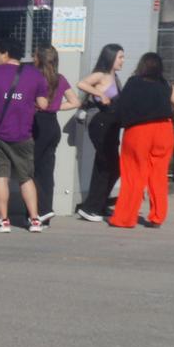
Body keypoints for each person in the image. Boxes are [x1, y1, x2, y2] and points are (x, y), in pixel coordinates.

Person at [0, 35, 46, 234]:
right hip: (24, 134)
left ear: (5, 53)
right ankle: (35, 220)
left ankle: (3, 220)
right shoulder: (35, 75)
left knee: (0, 176)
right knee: (26, 177)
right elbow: (43, 104)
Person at [106, 50, 174, 230]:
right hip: (164, 130)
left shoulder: (134, 83)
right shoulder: (166, 84)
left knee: (134, 174)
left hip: (139, 131)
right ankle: (157, 217)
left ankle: (125, 218)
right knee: (158, 175)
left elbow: (121, 106)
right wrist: (171, 116)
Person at [73, 43, 123, 222]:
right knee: (105, 165)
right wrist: (100, 94)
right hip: (100, 123)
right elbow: (81, 83)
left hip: (111, 125)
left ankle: (99, 204)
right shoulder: (101, 75)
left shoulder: (114, 76)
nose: (122, 61)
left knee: (113, 167)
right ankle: (91, 208)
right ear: (110, 57)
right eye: (120, 57)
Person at [31, 44, 78, 225]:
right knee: (46, 171)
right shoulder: (59, 79)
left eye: (35, 56)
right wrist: (55, 106)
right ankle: (45, 212)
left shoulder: (35, 78)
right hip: (52, 124)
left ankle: (41, 210)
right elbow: (75, 101)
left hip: (37, 123)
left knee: (30, 169)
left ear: (39, 59)